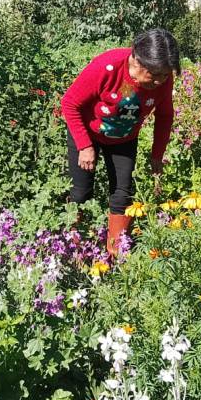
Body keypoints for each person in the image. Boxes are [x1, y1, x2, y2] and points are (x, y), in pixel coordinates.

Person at [61, 28, 179, 255]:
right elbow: (70, 103)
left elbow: (165, 115)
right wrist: (85, 146)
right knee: (80, 192)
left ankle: (116, 255)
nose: (159, 81)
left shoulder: (162, 78)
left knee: (122, 194)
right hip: (87, 131)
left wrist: (157, 154)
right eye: (154, 75)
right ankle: (74, 250)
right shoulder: (107, 67)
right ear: (136, 61)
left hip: (124, 138)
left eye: (164, 75)